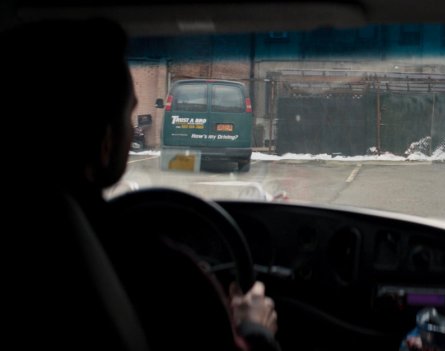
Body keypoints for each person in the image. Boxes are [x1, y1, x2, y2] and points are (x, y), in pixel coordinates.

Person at [1, 19, 279, 351]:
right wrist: (256, 330)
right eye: (129, 115)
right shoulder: (166, 276)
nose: (133, 128)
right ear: (105, 141)